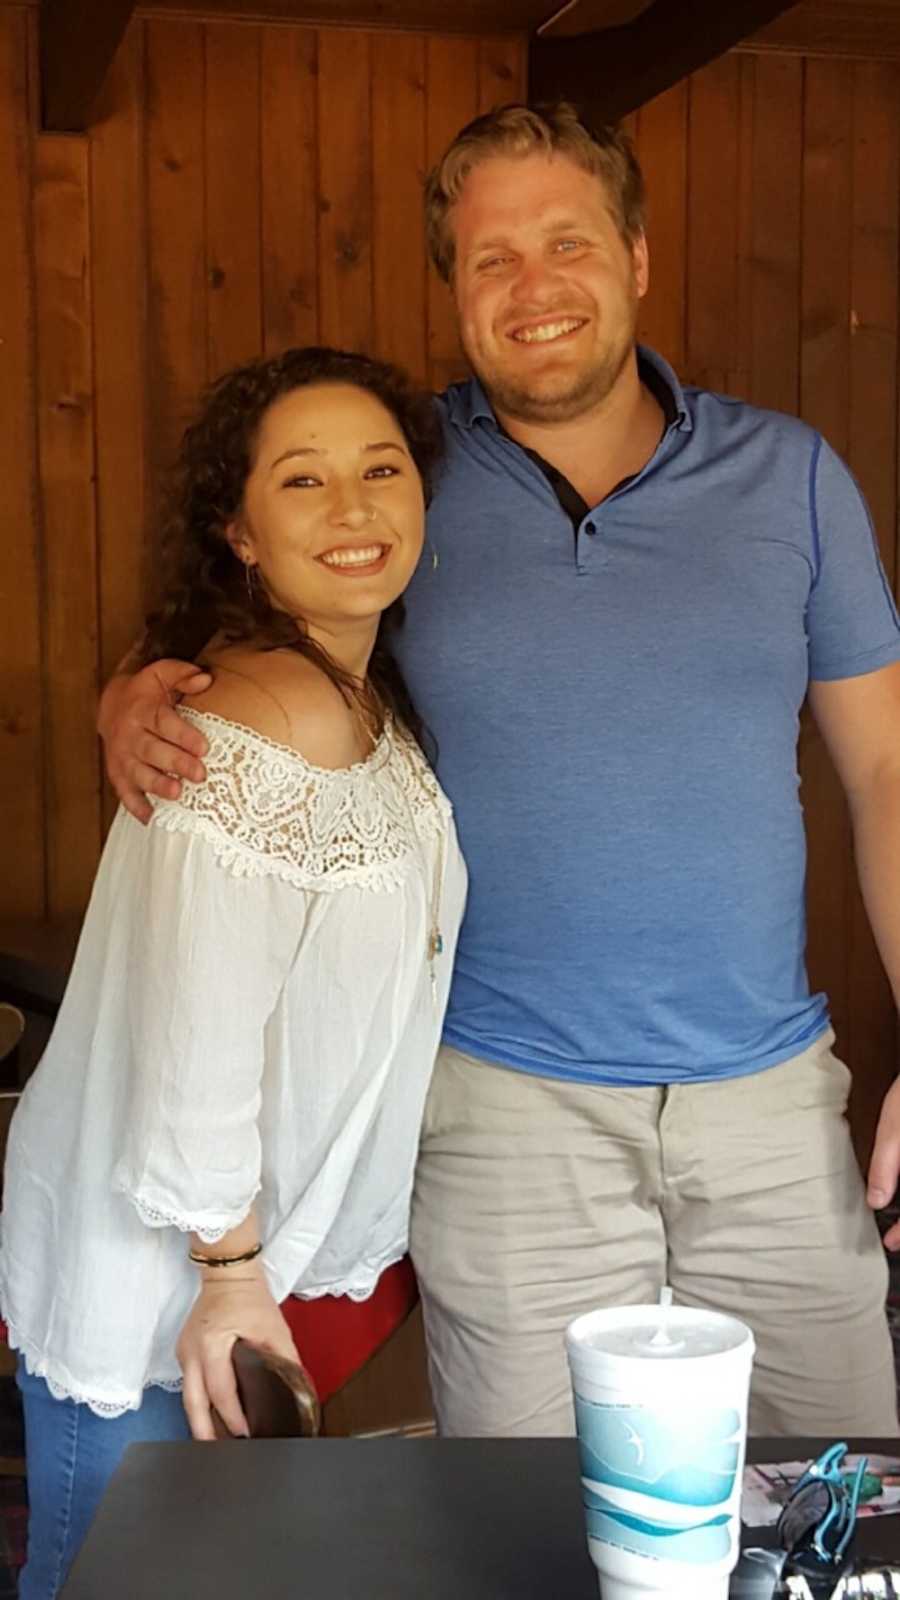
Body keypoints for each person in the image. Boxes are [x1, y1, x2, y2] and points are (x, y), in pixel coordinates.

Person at [99, 103, 900, 1442]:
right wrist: (130, 692)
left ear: (637, 258)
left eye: (567, 242)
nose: (534, 287)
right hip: (502, 1105)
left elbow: (884, 771)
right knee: (528, 1527)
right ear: (454, 292)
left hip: (768, 1105)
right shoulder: (401, 477)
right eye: (489, 259)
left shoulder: (792, 478)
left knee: (836, 1506)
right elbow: (230, 647)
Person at [1, 346, 466, 1598]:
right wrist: (226, 1280)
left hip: (235, 1270)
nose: (355, 507)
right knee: (110, 1578)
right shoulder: (263, 723)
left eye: (380, 468)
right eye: (303, 480)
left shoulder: (360, 699)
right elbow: (200, 1041)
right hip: (162, 1288)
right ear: (241, 530)